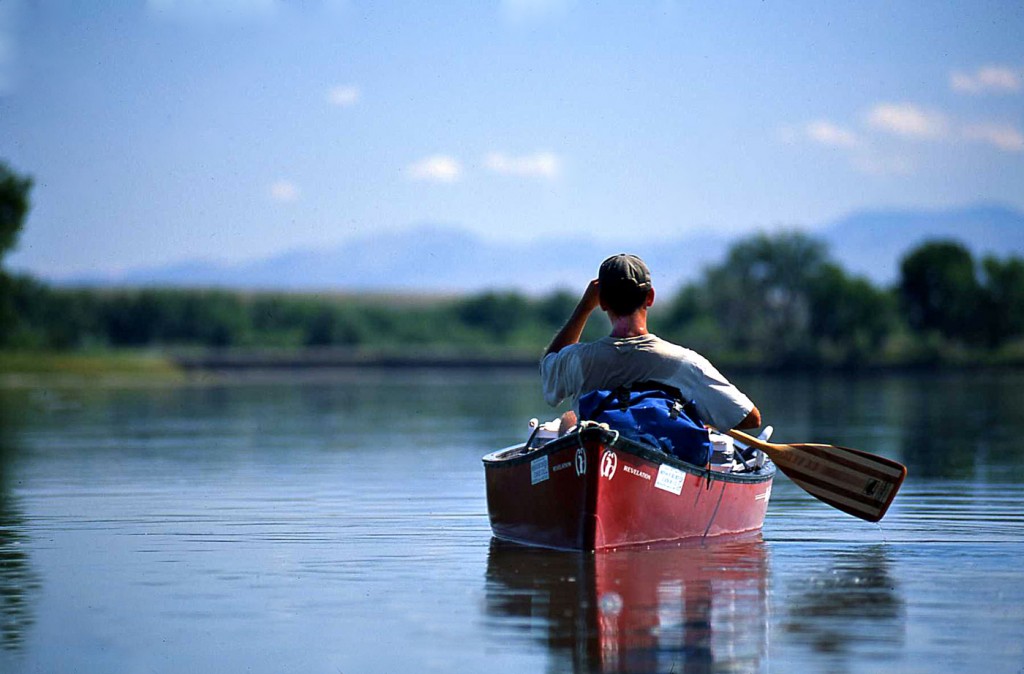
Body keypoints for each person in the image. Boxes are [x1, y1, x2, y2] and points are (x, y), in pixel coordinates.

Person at [541, 253, 761, 433]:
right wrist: (694, 418)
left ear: (603, 302)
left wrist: (585, 307)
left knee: (569, 420)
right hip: (659, 463)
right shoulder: (686, 363)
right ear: (650, 297)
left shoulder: (576, 360)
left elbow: (549, 369)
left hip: (595, 455)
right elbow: (750, 418)